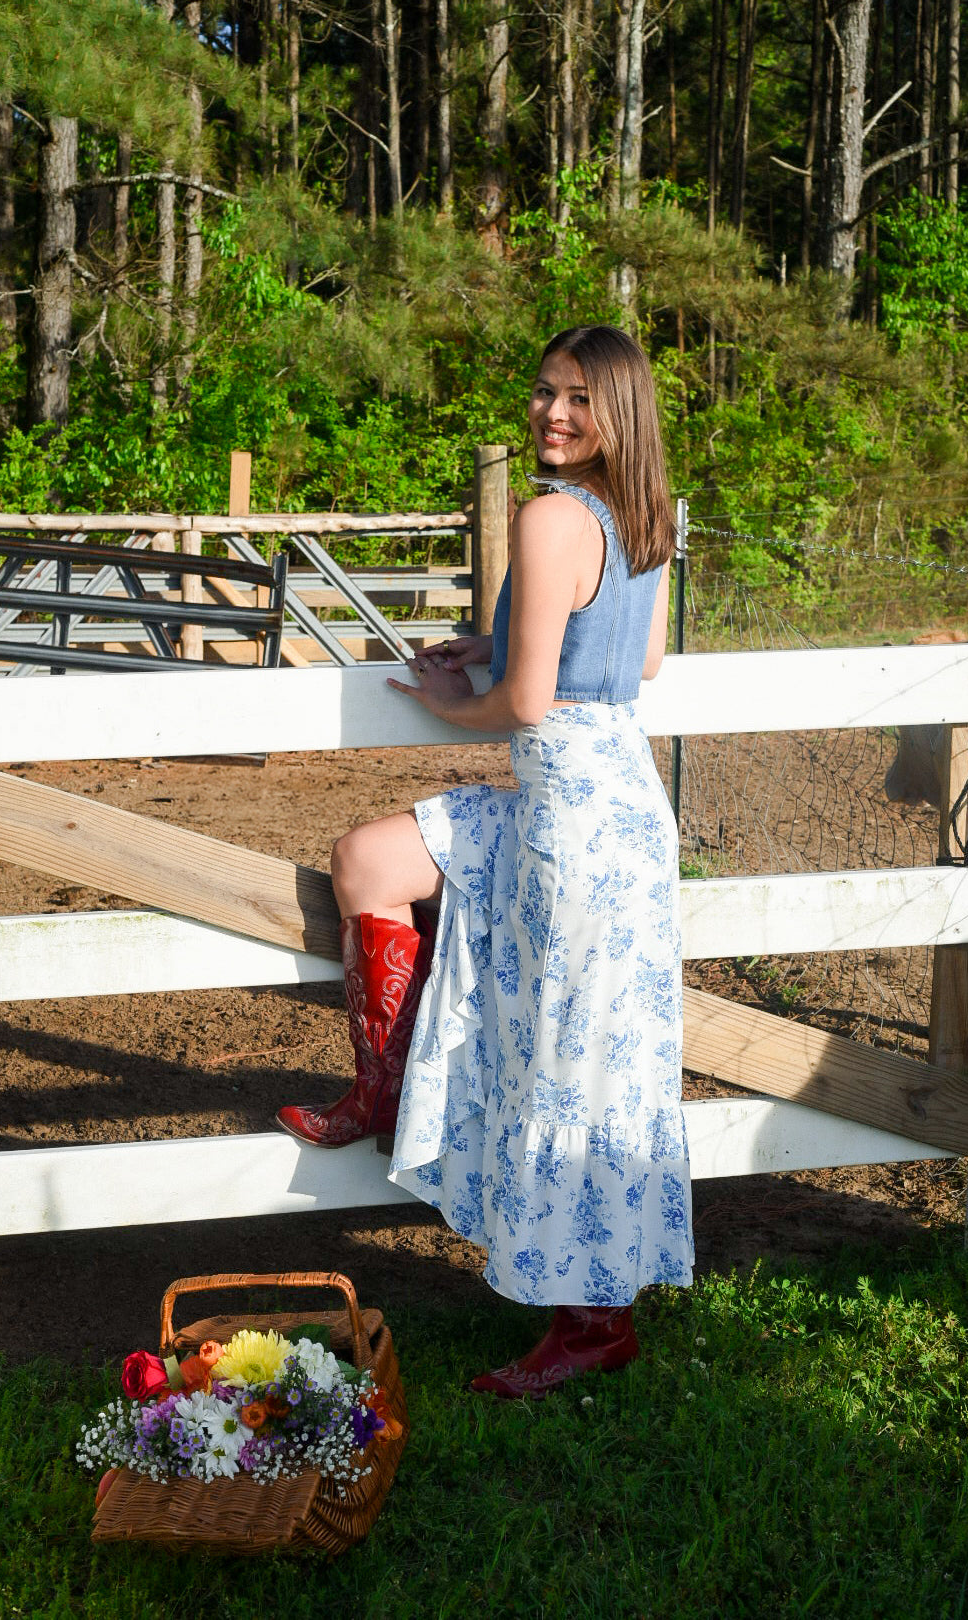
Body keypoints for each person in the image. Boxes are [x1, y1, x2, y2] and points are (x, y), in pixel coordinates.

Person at [278, 324, 694, 1397]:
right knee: (370, 857)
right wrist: (494, 643)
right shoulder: (642, 512)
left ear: (619, 412)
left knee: (568, 1059)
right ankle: (384, 1086)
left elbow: (532, 703)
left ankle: (592, 1325)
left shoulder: (552, 514)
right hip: (606, 799)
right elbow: (634, 660)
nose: (552, 414)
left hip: (572, 814)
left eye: (577, 400)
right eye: (545, 390)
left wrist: (460, 696)